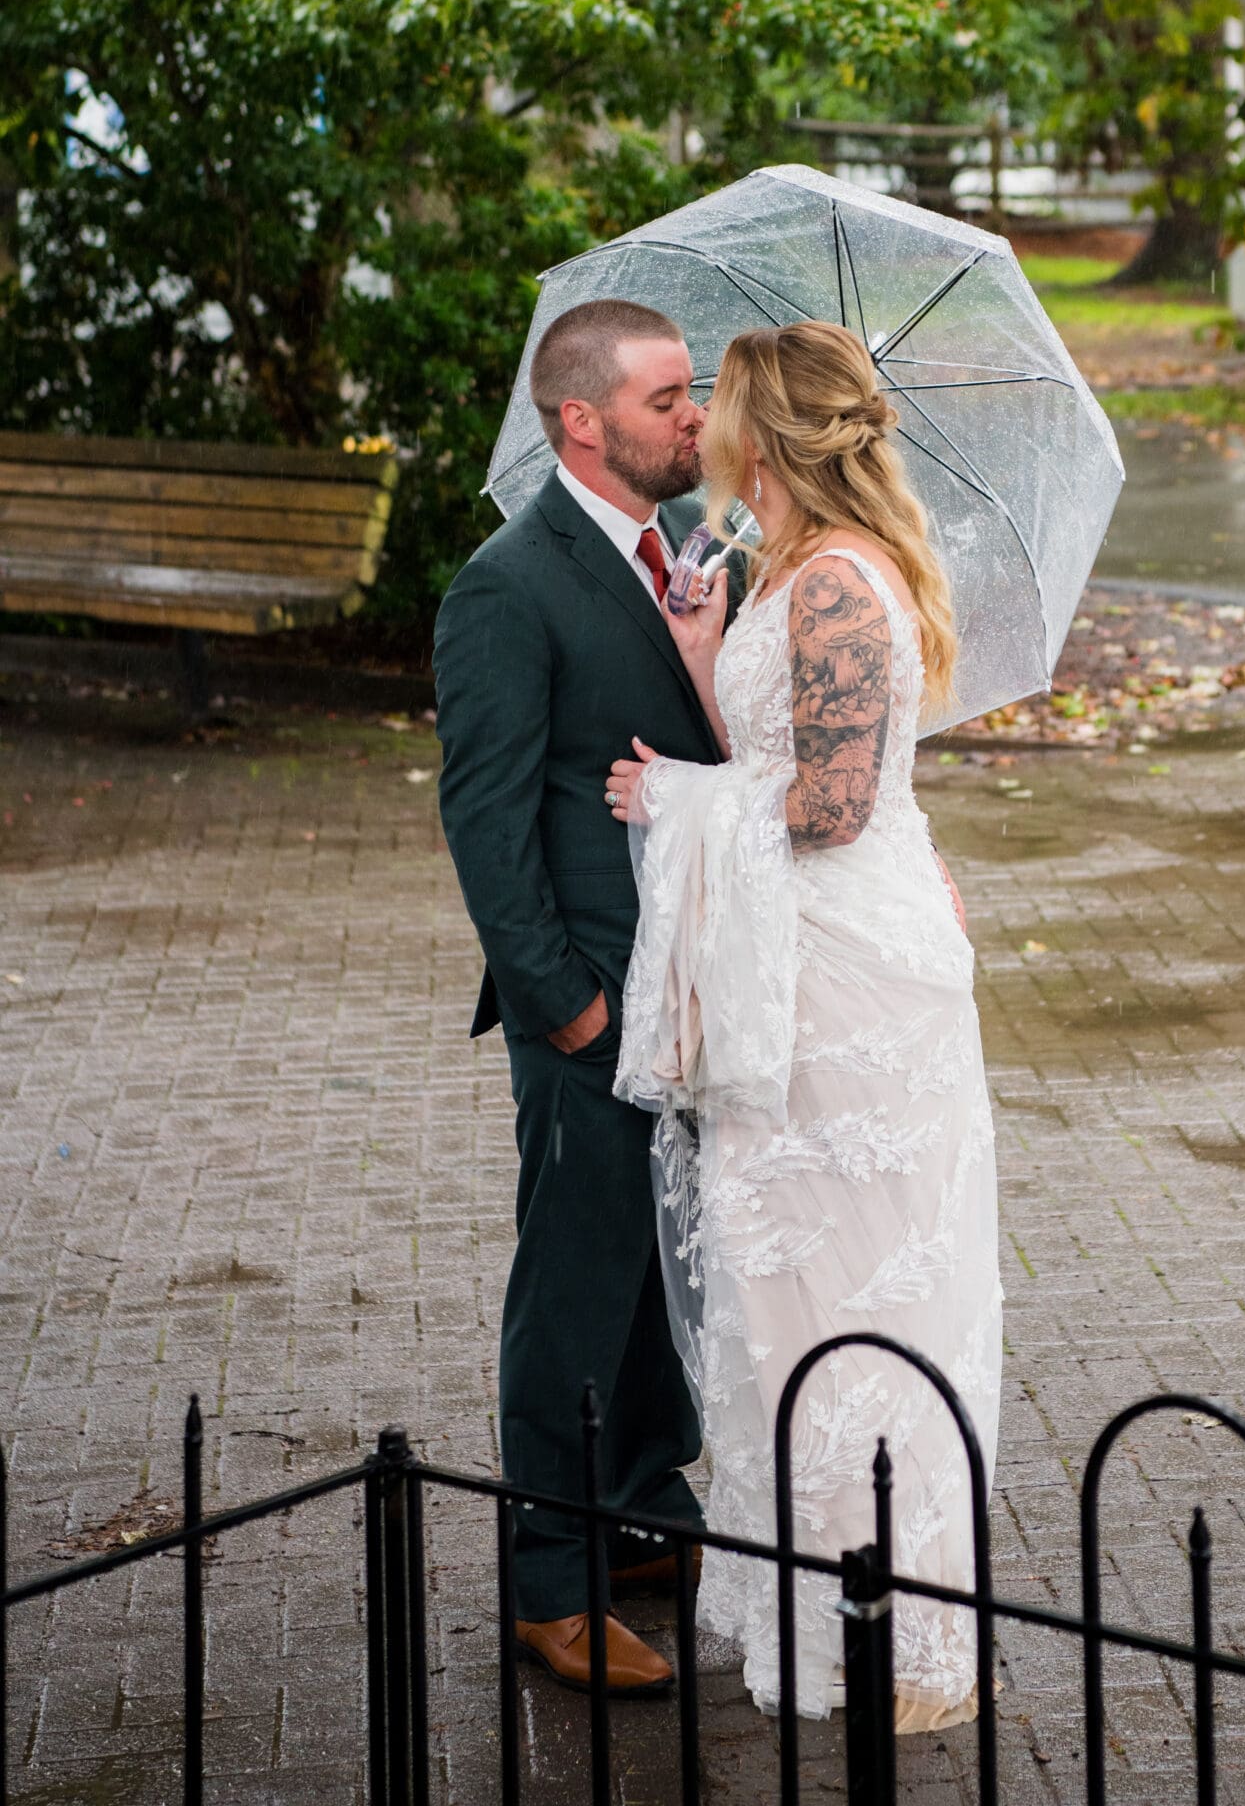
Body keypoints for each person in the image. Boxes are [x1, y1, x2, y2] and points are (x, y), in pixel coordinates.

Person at [606, 319, 1002, 1730]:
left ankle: (900, 1635)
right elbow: (790, 760)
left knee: (864, 1298)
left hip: (848, 992)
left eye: (723, 414)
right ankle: (836, 1605)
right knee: (793, 1307)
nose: (704, 430)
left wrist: (676, 800)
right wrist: (711, 658)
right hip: (807, 967)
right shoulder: (790, 575)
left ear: (764, 441)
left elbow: (827, 810)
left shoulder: (839, 585)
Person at [434, 297, 742, 1700]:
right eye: (670, 397)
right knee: (571, 1282)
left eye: (691, 394)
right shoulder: (509, 583)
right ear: (583, 421)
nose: (697, 417)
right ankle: (549, 1576)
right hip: (595, 1009)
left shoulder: (672, 551)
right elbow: (486, 821)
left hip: (676, 989)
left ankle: (640, 1510)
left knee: (652, 1261)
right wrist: (566, 1009)